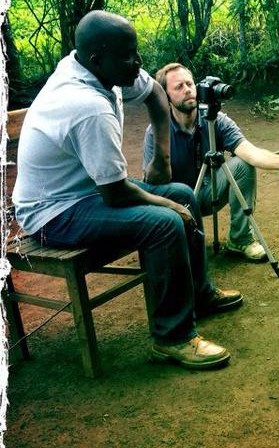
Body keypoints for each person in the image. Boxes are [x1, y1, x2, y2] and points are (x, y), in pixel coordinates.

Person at [12, 10, 243, 370]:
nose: (137, 62)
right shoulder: (85, 106)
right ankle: (173, 338)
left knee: (181, 192)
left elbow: (154, 93)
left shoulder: (106, 70)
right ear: (97, 59)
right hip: (52, 212)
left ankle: (200, 293)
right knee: (165, 221)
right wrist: (167, 206)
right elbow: (116, 194)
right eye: (128, 55)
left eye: (135, 51)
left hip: (86, 188)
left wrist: (162, 160)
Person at [142, 63, 279, 262]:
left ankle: (240, 238)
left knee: (243, 164)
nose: (187, 90)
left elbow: (251, 153)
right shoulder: (157, 131)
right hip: (177, 203)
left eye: (189, 84)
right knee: (180, 255)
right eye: (178, 87)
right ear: (166, 97)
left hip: (209, 192)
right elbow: (152, 185)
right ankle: (177, 240)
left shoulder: (215, 120)